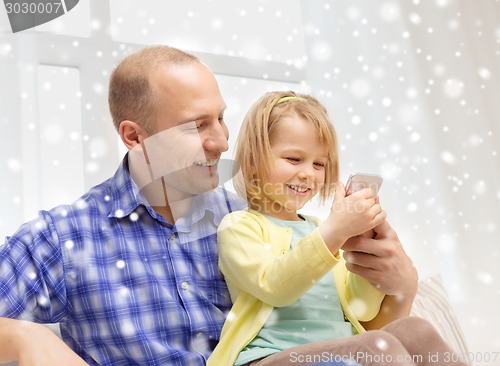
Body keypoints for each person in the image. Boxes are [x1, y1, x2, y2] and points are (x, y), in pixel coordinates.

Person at [0, 45, 414, 366]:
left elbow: (336, 334)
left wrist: (399, 289)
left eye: (220, 119)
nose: (221, 141)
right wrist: (25, 336)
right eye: (196, 126)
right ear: (133, 137)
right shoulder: (63, 237)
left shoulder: (256, 218)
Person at [208, 91, 466, 366]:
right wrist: (334, 233)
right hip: (269, 358)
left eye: (318, 163)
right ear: (252, 162)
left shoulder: (320, 231)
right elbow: (275, 286)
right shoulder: (239, 226)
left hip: (337, 352)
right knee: (376, 346)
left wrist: (361, 252)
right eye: (294, 159)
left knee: (416, 330)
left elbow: (361, 308)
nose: (308, 173)